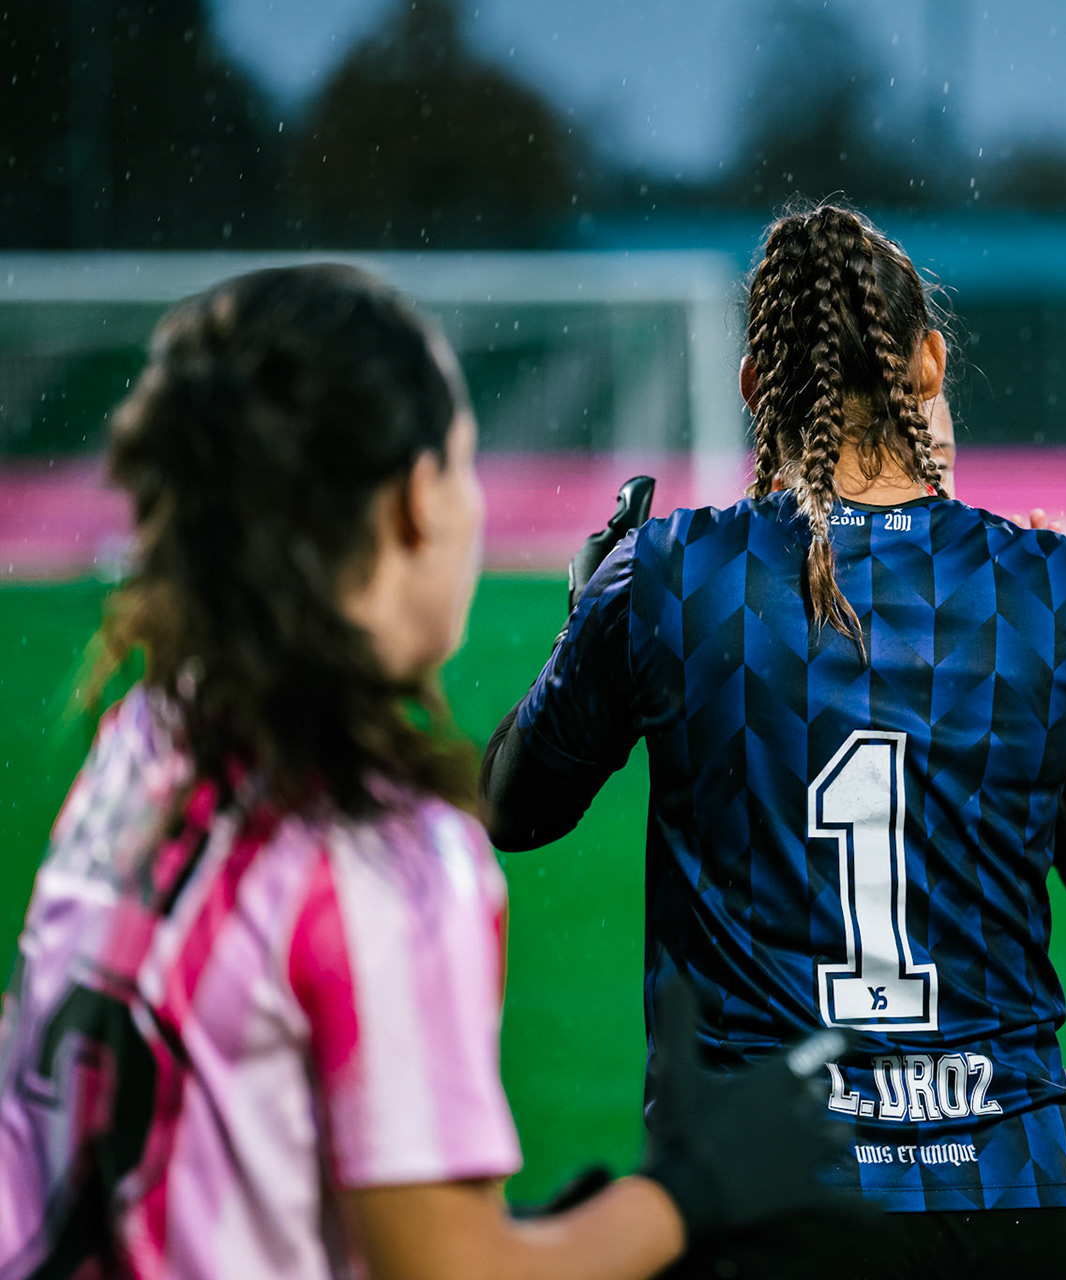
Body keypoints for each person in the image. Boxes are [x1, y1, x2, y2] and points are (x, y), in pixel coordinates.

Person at [0, 264, 844, 1280]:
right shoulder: (382, 853)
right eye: (465, 463)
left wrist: (561, 1230)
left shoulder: (145, 741)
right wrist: (693, 1188)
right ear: (413, 503)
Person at [481, 201, 1066, 1280]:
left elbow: (513, 807)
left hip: (758, 1191)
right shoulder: (1053, 586)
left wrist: (584, 620)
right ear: (932, 363)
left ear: (756, 380)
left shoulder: (672, 577)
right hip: (1003, 1189)